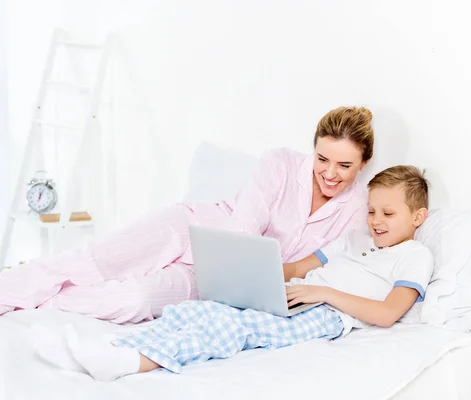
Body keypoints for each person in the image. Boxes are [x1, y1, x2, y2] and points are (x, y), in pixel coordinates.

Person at [32, 165, 434, 381]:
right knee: (198, 311)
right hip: (294, 294)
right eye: (371, 211)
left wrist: (324, 295)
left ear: (419, 217)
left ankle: (129, 363)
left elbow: (386, 314)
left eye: (387, 214)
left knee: (233, 329)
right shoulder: (352, 242)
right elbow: (294, 268)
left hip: (324, 314)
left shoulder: (413, 255)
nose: (376, 221)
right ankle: (116, 349)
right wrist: (244, 268)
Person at [0, 106, 374, 323]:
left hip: (219, 283)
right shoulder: (281, 163)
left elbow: (338, 260)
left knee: (136, 301)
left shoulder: (358, 208)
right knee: (94, 261)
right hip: (190, 228)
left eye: (344, 165)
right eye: (322, 159)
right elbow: (244, 225)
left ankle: (38, 303)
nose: (328, 173)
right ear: (313, 149)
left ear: (363, 164)